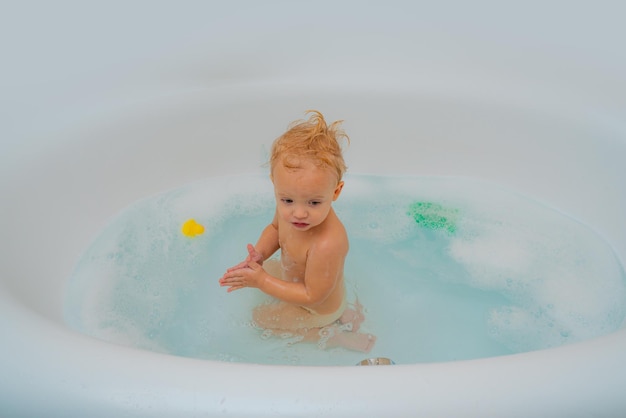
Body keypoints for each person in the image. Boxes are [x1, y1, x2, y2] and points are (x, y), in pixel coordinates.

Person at [219, 110, 376, 353]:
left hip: (315, 306)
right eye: (287, 200)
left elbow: (312, 296)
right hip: (301, 278)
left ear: (335, 192)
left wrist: (262, 281)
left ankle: (333, 335)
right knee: (267, 270)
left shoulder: (327, 243)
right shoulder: (291, 203)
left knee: (259, 317)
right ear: (275, 184)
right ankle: (344, 314)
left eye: (314, 203)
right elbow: (274, 229)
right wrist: (260, 254)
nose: (298, 213)